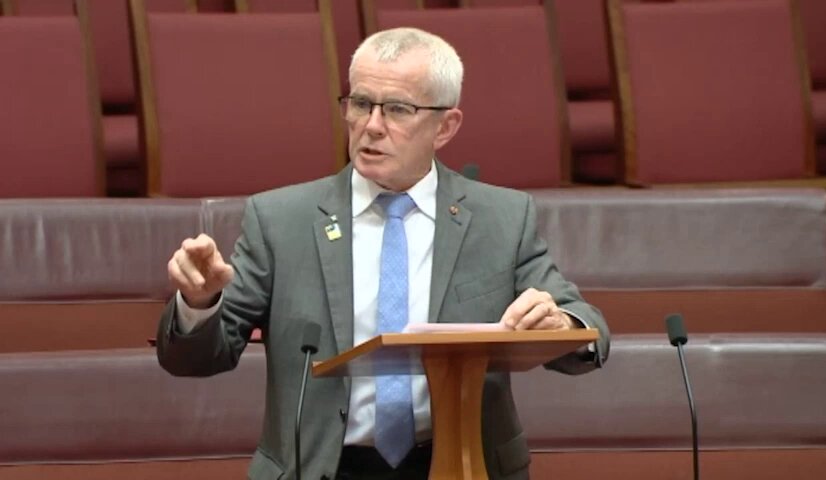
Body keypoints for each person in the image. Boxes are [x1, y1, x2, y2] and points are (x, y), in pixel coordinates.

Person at [157, 27, 610, 480]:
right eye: (360, 104)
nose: (372, 125)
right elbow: (197, 358)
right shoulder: (281, 221)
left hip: (461, 463)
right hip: (323, 468)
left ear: (445, 126)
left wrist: (561, 324)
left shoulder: (501, 219)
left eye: (397, 109)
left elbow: (586, 329)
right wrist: (199, 303)